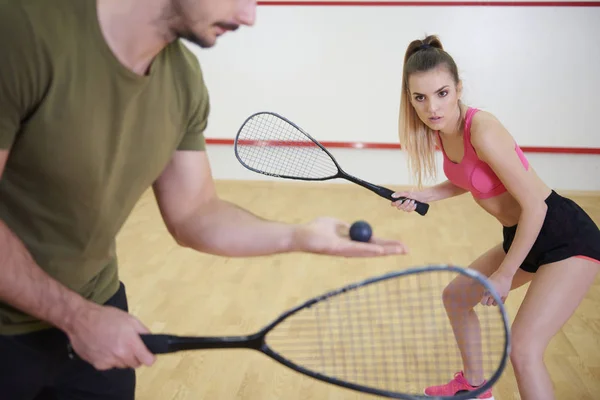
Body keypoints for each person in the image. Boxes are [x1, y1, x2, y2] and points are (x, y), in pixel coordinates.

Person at [0, 0, 409, 399]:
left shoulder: (183, 77)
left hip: (102, 315)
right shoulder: (21, 30)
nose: (249, 15)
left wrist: (298, 235)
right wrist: (74, 316)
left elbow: (195, 212)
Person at [391, 34, 600, 400]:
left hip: (564, 236)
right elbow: (470, 179)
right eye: (419, 98)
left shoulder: (482, 129)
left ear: (458, 88)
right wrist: (423, 194)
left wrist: (504, 274)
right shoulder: (441, 131)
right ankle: (474, 388)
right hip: (520, 234)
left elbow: (537, 206)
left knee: (523, 349)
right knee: (457, 297)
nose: (432, 107)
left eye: (441, 93)